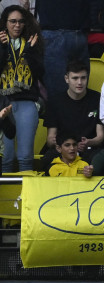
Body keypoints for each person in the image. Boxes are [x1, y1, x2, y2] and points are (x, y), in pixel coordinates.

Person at [0, 5, 42, 173]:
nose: (17, 25)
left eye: (21, 22)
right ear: (5, 23)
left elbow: (40, 73)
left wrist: (30, 52)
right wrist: (2, 48)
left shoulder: (33, 42)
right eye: (13, 21)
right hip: (3, 103)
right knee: (6, 156)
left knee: (25, 157)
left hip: (26, 101)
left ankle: (26, 198)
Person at [43, 60, 104, 168]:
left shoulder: (98, 99)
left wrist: (89, 142)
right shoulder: (55, 102)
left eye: (83, 78)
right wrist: (66, 145)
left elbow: (100, 137)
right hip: (63, 149)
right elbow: (50, 139)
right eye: (75, 78)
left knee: (100, 160)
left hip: (89, 150)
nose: (79, 82)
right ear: (67, 79)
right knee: (48, 159)